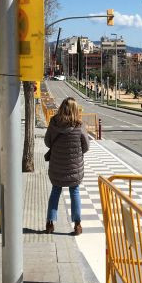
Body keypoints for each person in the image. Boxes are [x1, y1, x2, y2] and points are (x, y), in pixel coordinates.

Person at [44, 97, 90, 235]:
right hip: (74, 167)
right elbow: (86, 146)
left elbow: (47, 142)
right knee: (74, 192)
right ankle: (77, 224)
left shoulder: (54, 122)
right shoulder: (79, 125)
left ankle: (50, 223)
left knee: (55, 191)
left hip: (57, 166)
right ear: (75, 109)